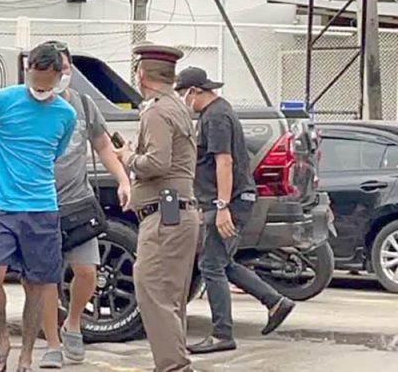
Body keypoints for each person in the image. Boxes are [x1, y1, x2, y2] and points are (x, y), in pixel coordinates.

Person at [0, 42, 77, 372]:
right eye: (36, 81)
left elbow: (54, 153)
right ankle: (2, 337)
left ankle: (27, 354)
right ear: (27, 71)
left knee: (37, 283)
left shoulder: (66, 114)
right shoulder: (1, 101)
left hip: (42, 206)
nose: (41, 89)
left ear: (59, 77)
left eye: (48, 83)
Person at [175, 66, 296, 355]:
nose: (182, 100)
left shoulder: (216, 117)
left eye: (182, 94)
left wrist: (222, 206)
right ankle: (275, 301)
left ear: (195, 91)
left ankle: (222, 334)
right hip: (230, 201)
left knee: (210, 265)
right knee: (222, 262)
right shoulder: (216, 112)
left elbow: (224, 162)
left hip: (230, 202)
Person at [38, 42, 131, 369]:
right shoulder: (30, 103)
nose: (61, 74)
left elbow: (103, 146)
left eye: (65, 68)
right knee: (46, 277)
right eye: (56, 69)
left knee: (87, 271)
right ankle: (52, 343)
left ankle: (73, 322)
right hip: (39, 204)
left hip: (77, 202)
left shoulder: (84, 105)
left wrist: (123, 179)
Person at [114, 44, 200, 372]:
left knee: (151, 288)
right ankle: (174, 362)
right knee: (170, 294)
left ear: (141, 74)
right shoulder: (178, 106)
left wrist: (128, 157)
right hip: (175, 209)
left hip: (164, 212)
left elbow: (157, 163)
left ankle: (173, 365)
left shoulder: (156, 111)